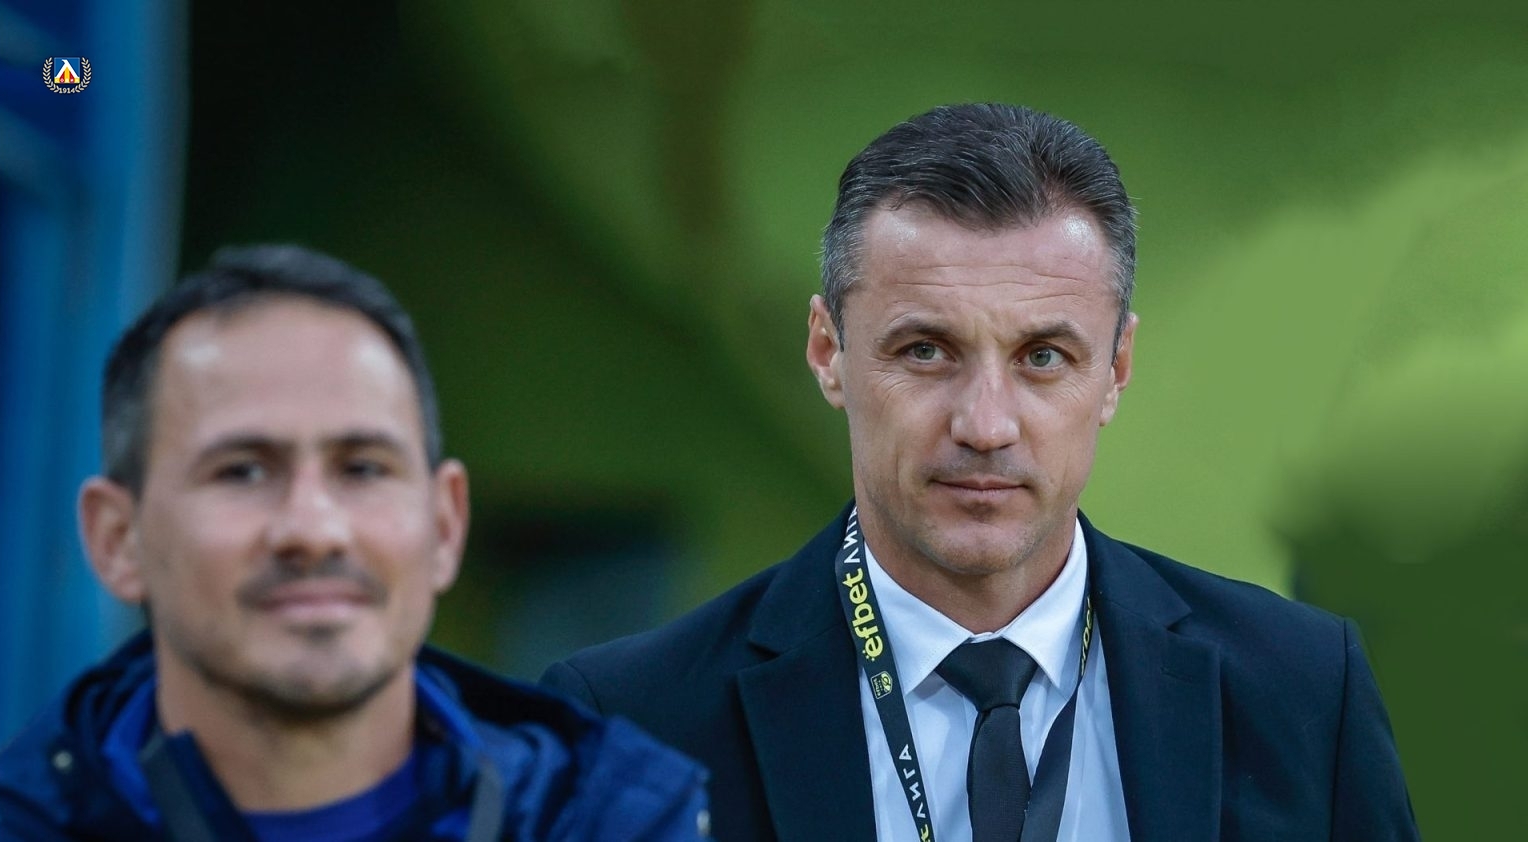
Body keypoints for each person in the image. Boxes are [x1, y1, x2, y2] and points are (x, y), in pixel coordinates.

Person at [540, 104, 1418, 841]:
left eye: (1043, 357)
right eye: (926, 350)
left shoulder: (1305, 691)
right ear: (828, 352)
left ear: (1116, 369)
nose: (986, 426)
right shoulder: (627, 723)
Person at [0, 245, 710, 841]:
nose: (314, 530)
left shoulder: (620, 825)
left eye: (363, 468)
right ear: (118, 540)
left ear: (445, 525)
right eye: (242, 471)